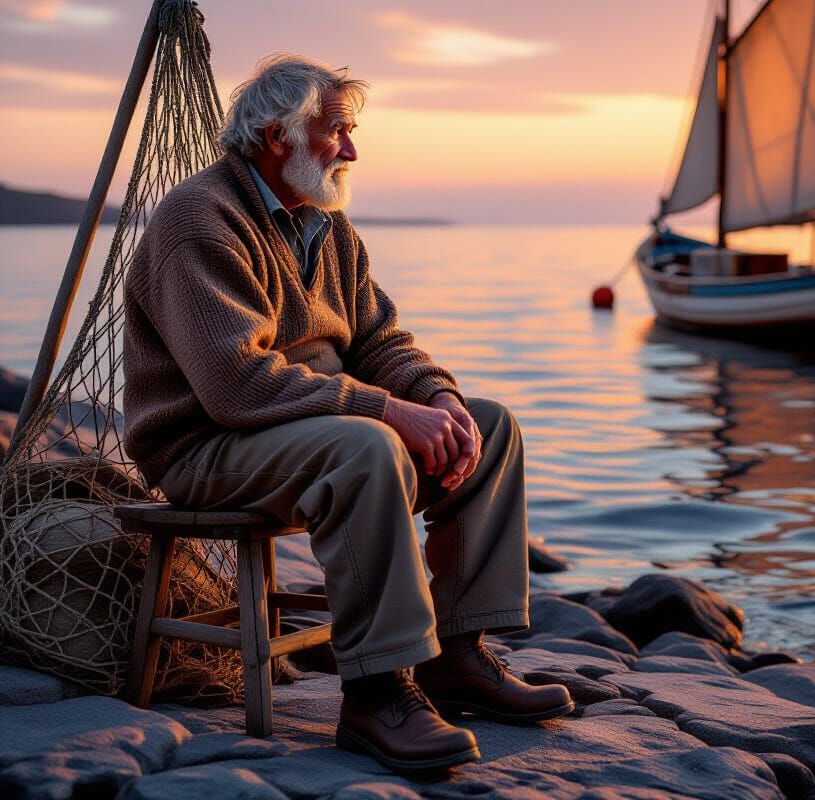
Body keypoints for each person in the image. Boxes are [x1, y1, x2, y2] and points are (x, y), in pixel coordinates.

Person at [122, 55, 572, 774]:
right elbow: (236, 384)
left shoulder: (326, 225)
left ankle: (456, 655)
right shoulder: (197, 221)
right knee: (370, 449)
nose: (353, 150)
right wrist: (388, 413)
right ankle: (378, 694)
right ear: (277, 135)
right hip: (205, 446)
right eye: (337, 131)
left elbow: (379, 340)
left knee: (489, 428)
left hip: (305, 433)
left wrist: (437, 400)